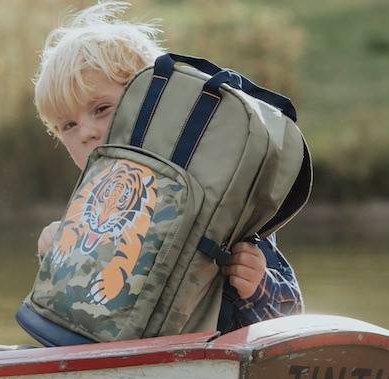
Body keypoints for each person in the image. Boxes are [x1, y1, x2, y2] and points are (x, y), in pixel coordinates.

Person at [31, 0, 302, 335]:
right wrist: (57, 256)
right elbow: (79, 312)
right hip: (129, 363)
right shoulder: (94, 204)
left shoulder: (219, 194)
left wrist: (257, 284)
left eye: (101, 108)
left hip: (211, 355)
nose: (86, 132)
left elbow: (291, 318)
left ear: (153, 106)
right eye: (68, 126)